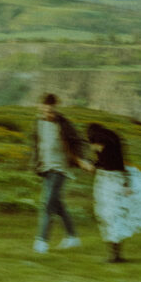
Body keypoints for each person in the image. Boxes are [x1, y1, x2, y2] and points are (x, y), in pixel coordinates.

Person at [84, 122, 141, 262]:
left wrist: (92, 164)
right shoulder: (113, 142)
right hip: (117, 180)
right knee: (115, 216)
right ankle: (116, 253)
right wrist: (126, 183)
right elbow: (118, 164)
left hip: (109, 182)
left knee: (110, 216)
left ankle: (115, 254)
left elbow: (105, 164)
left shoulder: (101, 144)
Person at [29, 93, 85, 254]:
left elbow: (78, 141)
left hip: (60, 169)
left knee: (47, 204)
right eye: (45, 108)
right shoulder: (38, 123)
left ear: (55, 108)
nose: (48, 112)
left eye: (51, 109)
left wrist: (81, 160)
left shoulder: (64, 124)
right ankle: (73, 237)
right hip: (45, 168)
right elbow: (36, 144)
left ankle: (42, 241)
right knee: (57, 203)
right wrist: (35, 163)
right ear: (40, 107)